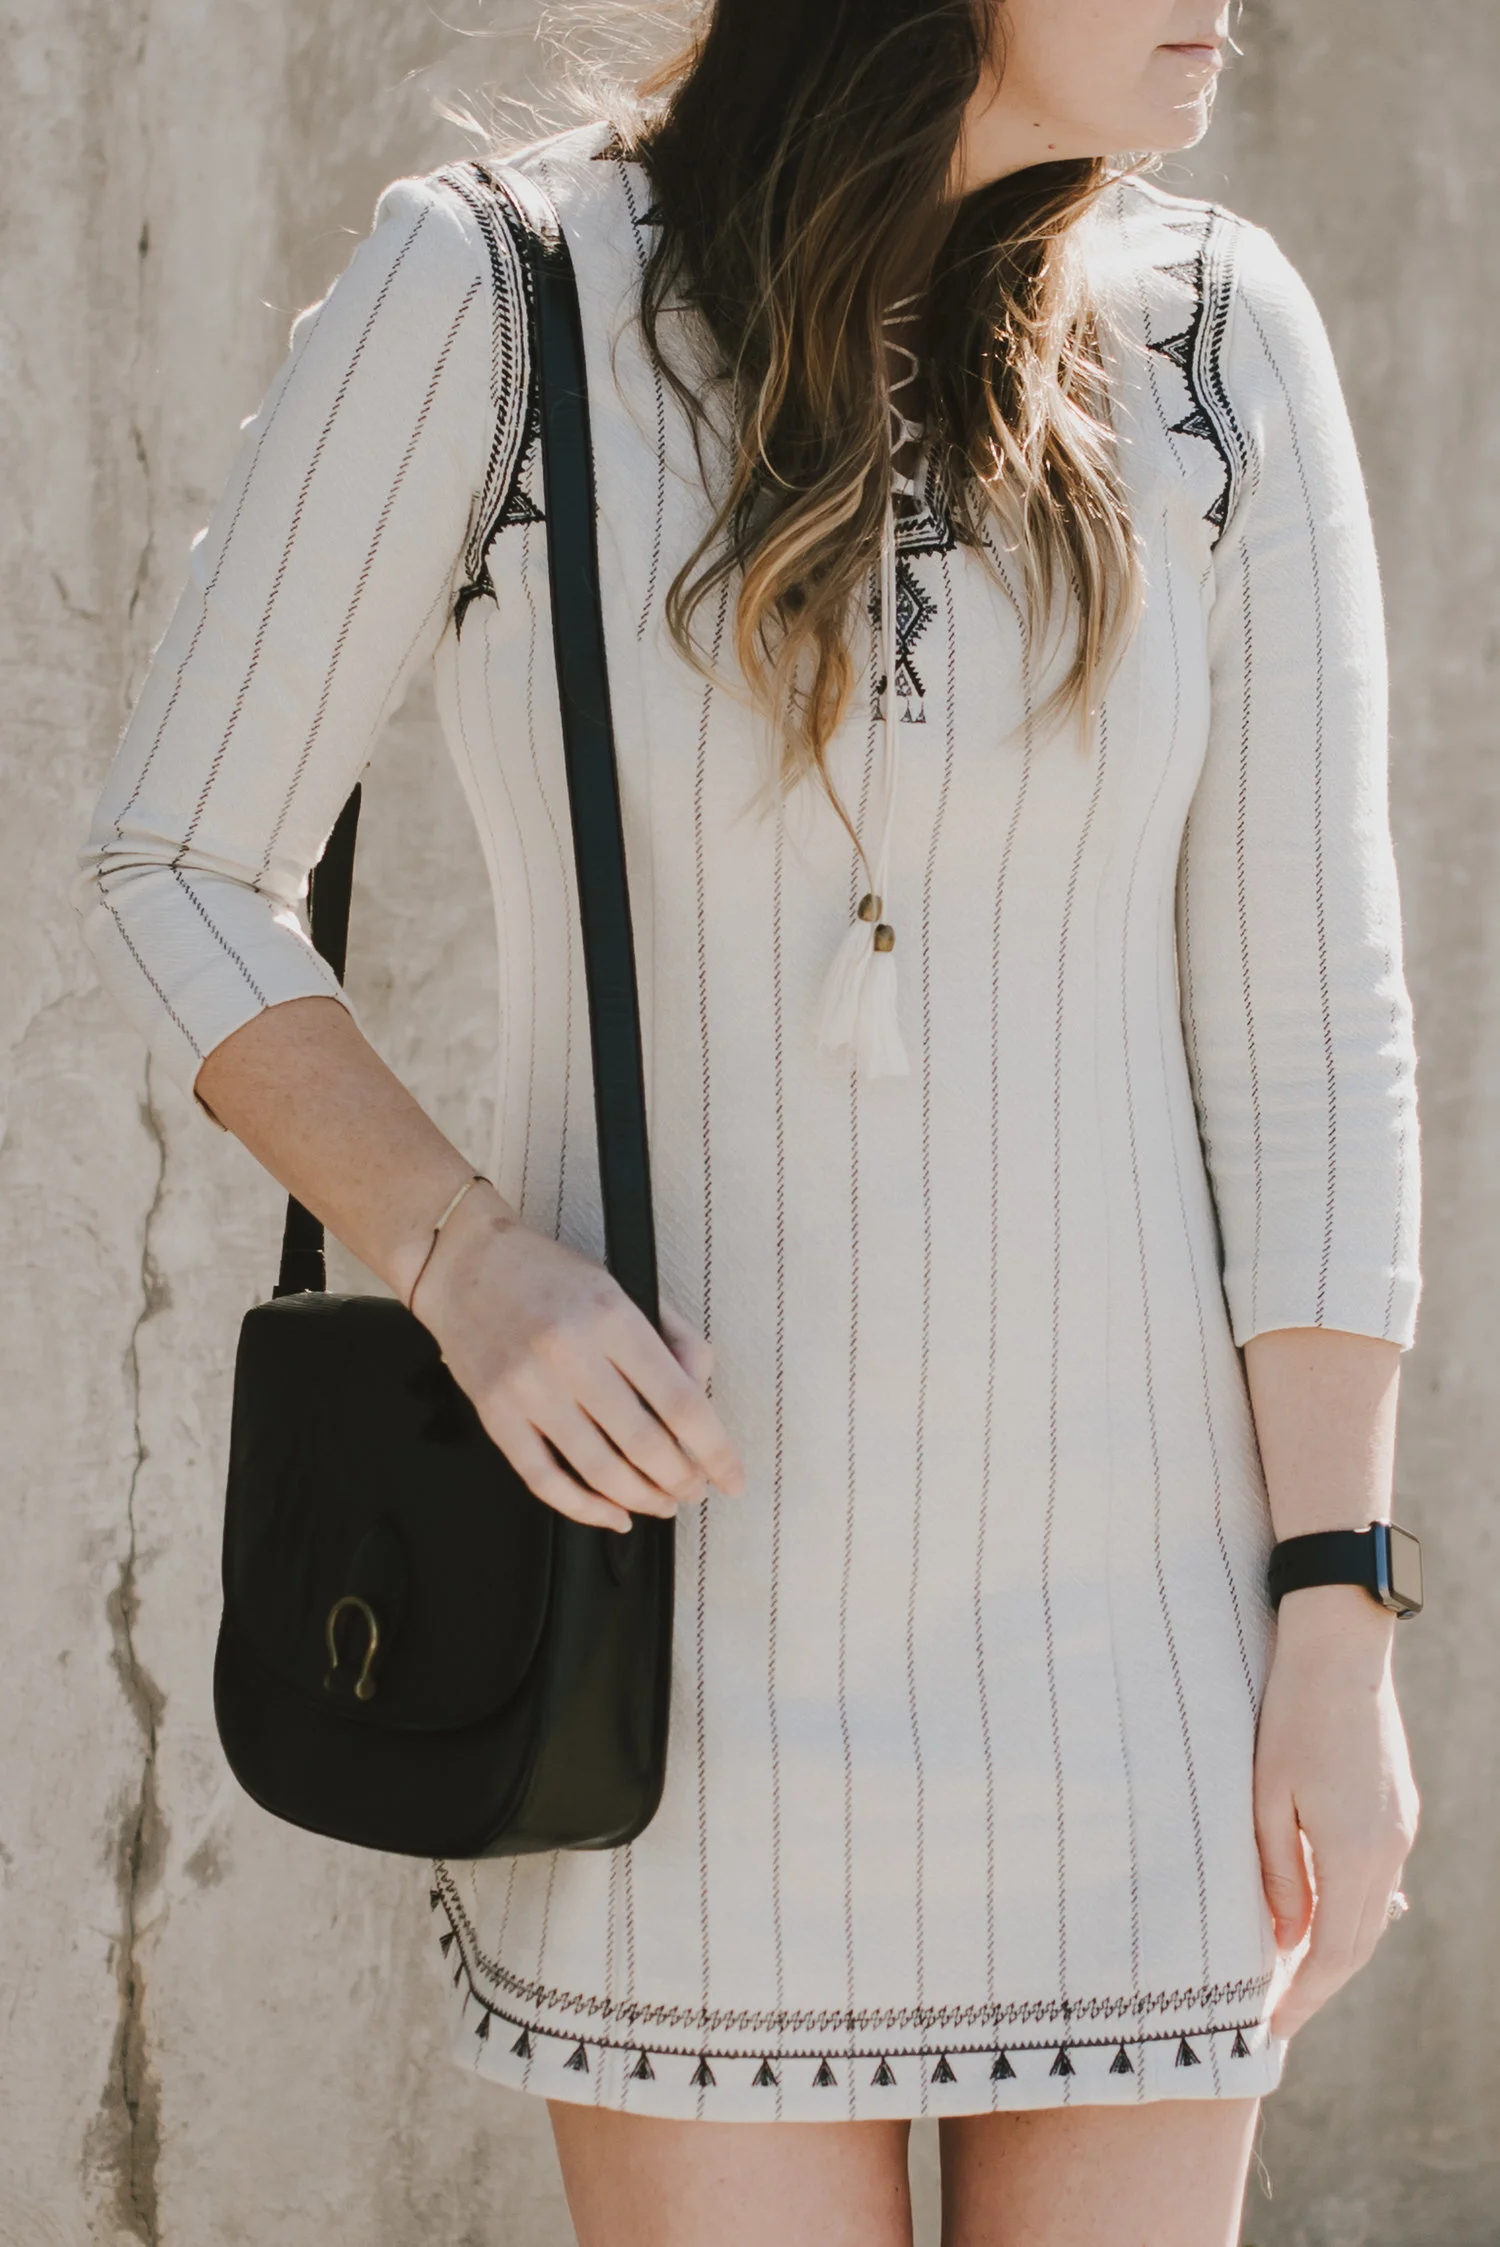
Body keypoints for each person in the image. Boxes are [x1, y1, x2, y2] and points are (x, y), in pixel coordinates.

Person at [75, 2, 1423, 2241]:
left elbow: (1315, 1038)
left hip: (1144, 1655)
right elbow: (180, 867)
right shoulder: (495, 292)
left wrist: (1335, 1616)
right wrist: (460, 1250)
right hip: (671, 1656)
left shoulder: (1217, 338)